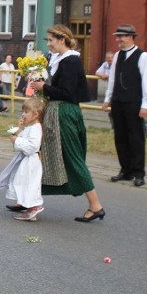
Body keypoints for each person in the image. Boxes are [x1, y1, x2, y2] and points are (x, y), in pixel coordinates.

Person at [30, 24, 105, 222]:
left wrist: (43, 86)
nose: (49, 44)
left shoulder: (70, 61)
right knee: (40, 155)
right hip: (57, 111)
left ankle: (95, 205)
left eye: (51, 40)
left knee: (73, 157)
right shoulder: (57, 59)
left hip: (65, 112)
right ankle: (28, 199)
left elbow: (68, 93)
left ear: (62, 40)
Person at [102, 24, 147, 187]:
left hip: (134, 102)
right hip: (118, 101)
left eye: (121, 37)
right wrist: (107, 98)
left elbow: (146, 81)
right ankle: (125, 170)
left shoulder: (142, 56)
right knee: (120, 137)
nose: (118, 40)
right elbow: (112, 78)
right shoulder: (117, 55)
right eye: (117, 36)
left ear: (130, 37)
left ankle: (139, 173)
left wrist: (146, 104)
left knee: (136, 138)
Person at [0, 97, 45, 221]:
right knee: (22, 182)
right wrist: (20, 129)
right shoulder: (30, 127)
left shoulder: (36, 128)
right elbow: (23, 140)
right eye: (23, 111)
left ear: (36, 114)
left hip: (31, 162)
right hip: (25, 160)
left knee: (29, 183)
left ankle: (35, 205)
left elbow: (32, 146)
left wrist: (17, 140)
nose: (23, 114)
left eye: (26, 112)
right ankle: (27, 205)